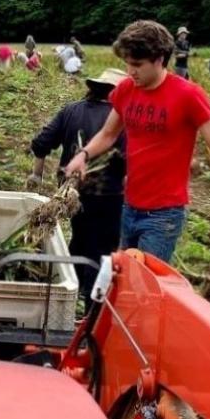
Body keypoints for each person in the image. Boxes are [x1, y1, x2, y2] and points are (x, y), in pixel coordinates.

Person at [64, 20, 210, 263]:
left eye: (137, 65)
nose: (130, 71)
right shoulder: (127, 89)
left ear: (159, 59)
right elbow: (108, 134)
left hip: (163, 215)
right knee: (124, 276)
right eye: (127, 64)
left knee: (144, 284)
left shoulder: (188, 95)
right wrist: (82, 155)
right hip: (129, 205)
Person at [28, 68, 127, 299]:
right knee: (101, 248)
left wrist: (36, 175)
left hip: (71, 192)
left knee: (80, 236)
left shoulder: (72, 110)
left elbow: (41, 143)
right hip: (108, 194)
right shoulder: (121, 119)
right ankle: (90, 298)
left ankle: (69, 288)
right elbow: (128, 160)